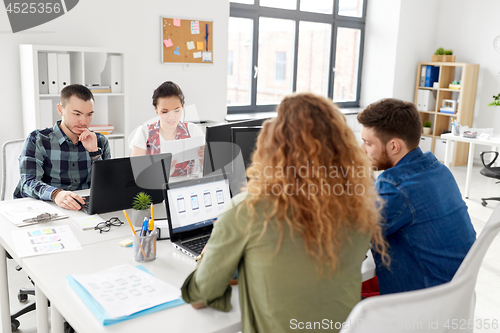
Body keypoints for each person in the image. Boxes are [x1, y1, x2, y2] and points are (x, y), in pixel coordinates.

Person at [181, 93, 389, 333]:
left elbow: (199, 297)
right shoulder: (359, 206)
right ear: (343, 148)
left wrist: (209, 254)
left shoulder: (246, 209)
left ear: (272, 147)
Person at [357, 98, 476, 295]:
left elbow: (348, 235)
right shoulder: (438, 169)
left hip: (421, 300)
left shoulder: (397, 189)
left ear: (394, 146)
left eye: (368, 143)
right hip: (456, 292)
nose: (362, 149)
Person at [14, 84, 110, 210]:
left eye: (89, 114)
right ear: (60, 110)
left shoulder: (100, 141)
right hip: (46, 206)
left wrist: (94, 153)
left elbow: (108, 185)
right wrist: (55, 194)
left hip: (83, 207)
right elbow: (28, 182)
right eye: (77, 114)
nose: (84, 121)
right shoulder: (38, 139)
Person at [130, 81, 204, 177]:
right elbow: (136, 173)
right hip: (155, 188)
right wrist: (160, 170)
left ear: (182, 106)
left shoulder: (192, 130)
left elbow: (209, 169)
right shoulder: (144, 133)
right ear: (156, 109)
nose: (171, 117)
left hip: (187, 187)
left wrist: (206, 157)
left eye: (177, 110)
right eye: (165, 112)